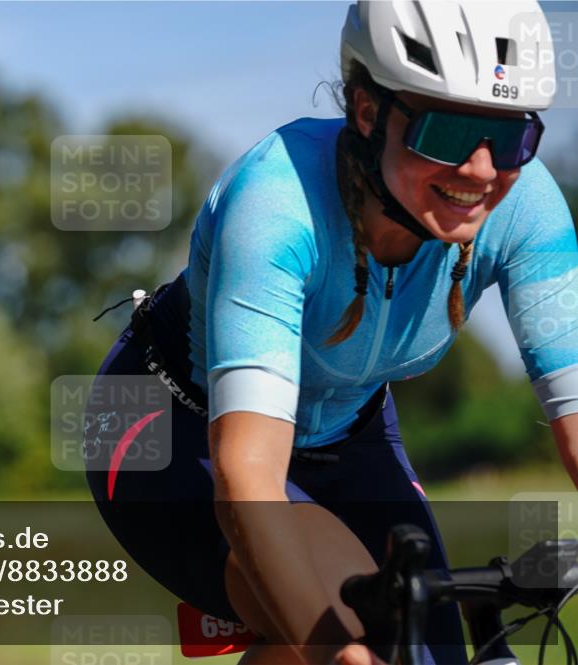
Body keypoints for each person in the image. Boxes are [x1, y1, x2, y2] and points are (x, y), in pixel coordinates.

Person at [84, 2, 578, 664]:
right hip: (175, 430)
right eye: (451, 131)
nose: (482, 171)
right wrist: (333, 652)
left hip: (350, 436)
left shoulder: (526, 206)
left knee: (426, 649)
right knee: (358, 627)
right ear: (368, 111)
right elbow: (248, 474)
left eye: (512, 137)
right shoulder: (276, 201)